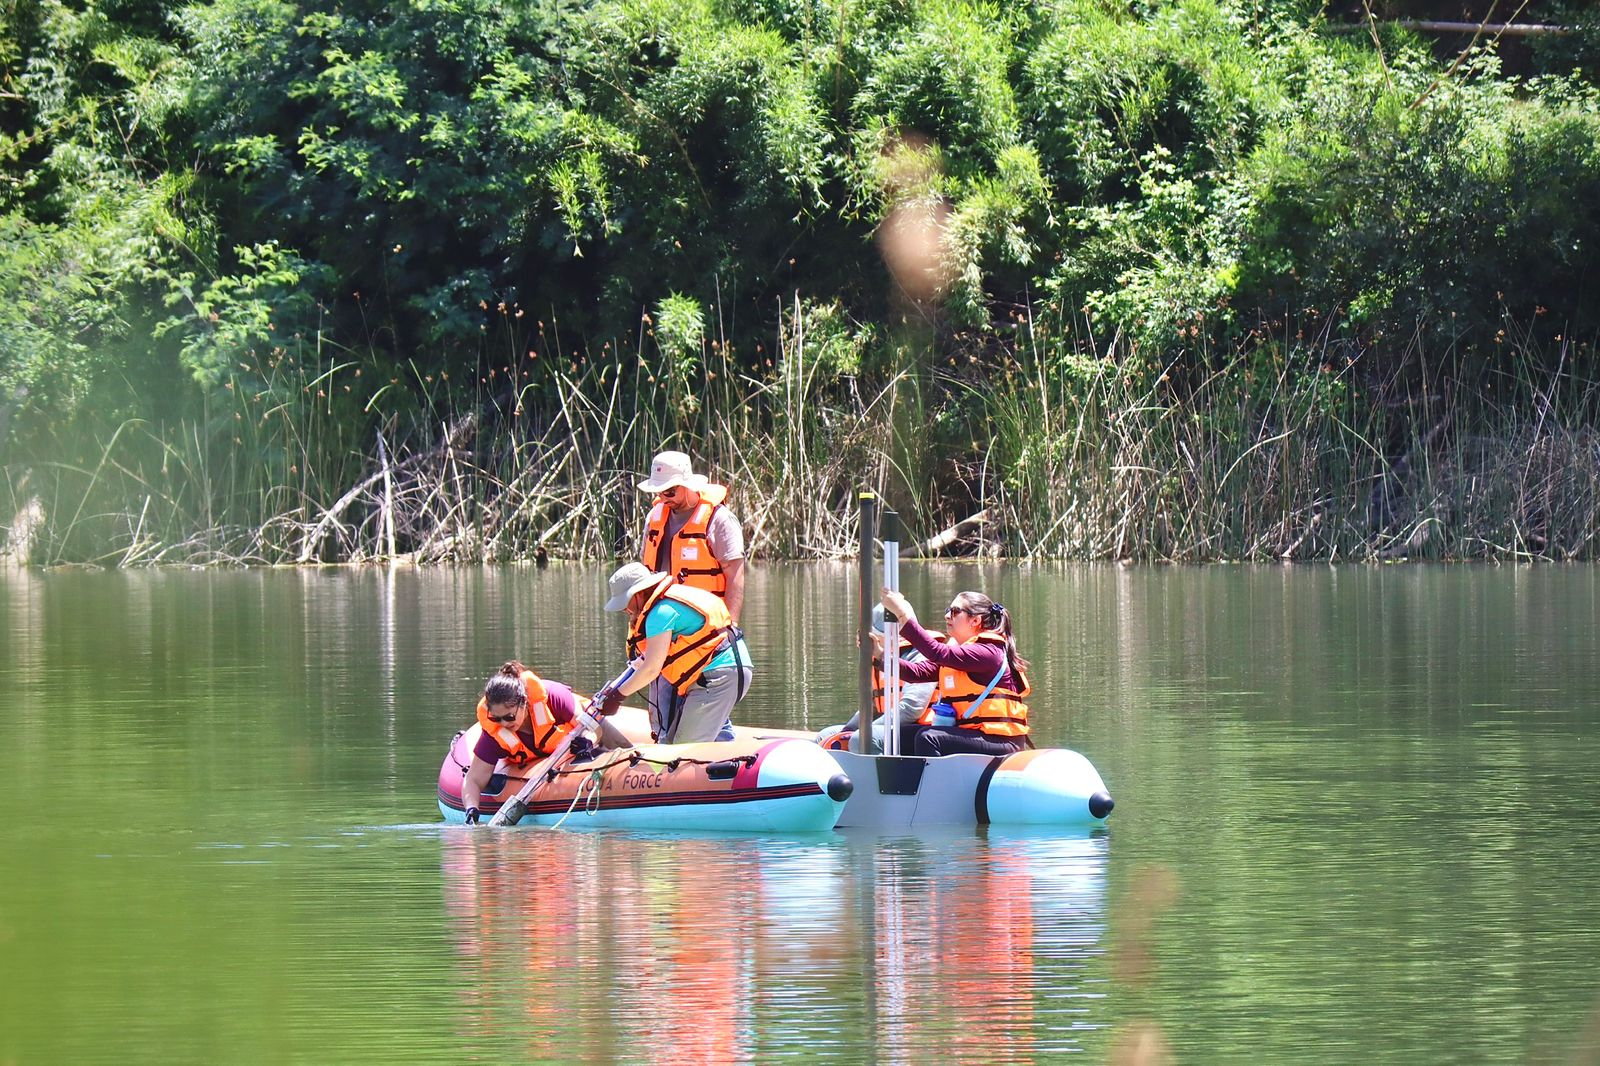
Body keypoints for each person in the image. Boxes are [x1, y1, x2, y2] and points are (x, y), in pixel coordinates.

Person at [460, 661, 631, 825]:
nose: (504, 723)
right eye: (496, 718)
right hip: (537, 764)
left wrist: (587, 741)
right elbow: (473, 779)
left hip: (583, 733)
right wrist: (471, 809)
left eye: (509, 716)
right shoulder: (495, 733)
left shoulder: (554, 699)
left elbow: (594, 728)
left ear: (524, 702)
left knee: (618, 741)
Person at [600, 561, 753, 744]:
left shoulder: (659, 614)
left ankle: (720, 765)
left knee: (683, 751)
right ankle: (726, 754)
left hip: (718, 676)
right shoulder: (664, 605)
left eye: (626, 602)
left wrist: (618, 696)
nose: (625, 609)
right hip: (724, 670)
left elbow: (651, 669)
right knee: (678, 739)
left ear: (640, 594)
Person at [877, 587, 1032, 757]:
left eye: (955, 611)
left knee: (928, 738)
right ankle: (902, 782)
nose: (947, 615)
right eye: (948, 610)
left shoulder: (987, 653)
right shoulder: (963, 654)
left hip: (1001, 740)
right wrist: (879, 655)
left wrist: (902, 615)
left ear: (975, 621)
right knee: (903, 735)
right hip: (975, 734)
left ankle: (932, 783)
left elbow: (935, 651)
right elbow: (917, 673)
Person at [636, 450, 747, 624]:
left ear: (688, 485)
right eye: (658, 492)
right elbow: (644, 574)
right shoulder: (653, 518)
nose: (664, 498)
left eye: (670, 491)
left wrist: (731, 627)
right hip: (660, 624)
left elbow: (735, 576)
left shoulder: (720, 520)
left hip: (706, 626)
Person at [816, 605, 938, 752]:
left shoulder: (922, 655)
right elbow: (872, 707)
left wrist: (865, 731)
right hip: (886, 725)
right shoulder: (879, 659)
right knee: (825, 736)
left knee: (861, 738)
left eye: (873, 636)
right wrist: (847, 730)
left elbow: (911, 709)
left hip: (915, 729)